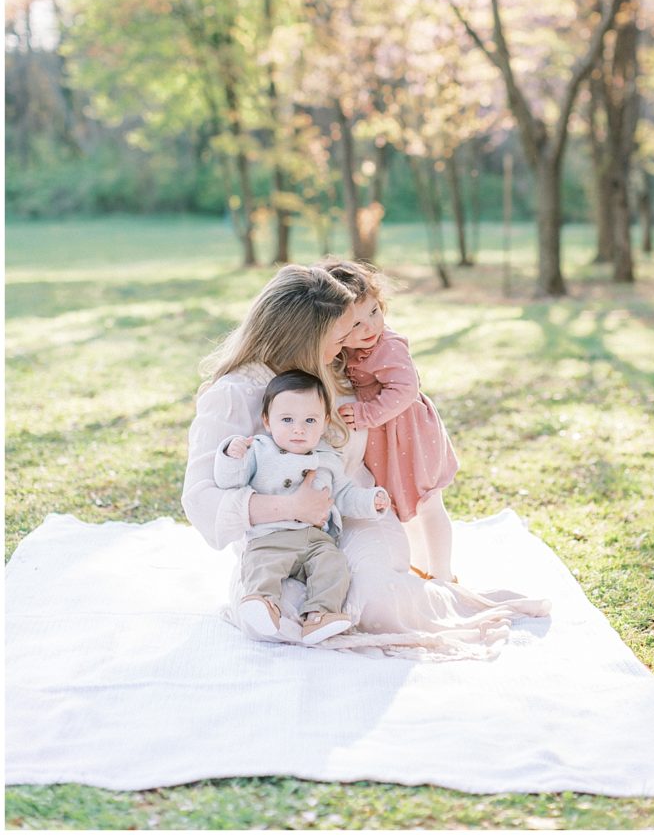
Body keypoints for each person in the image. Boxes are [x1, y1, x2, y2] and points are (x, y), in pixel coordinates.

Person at [182, 263, 550, 660]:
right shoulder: (234, 393)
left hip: (352, 510)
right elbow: (199, 496)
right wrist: (291, 507)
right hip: (275, 534)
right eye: (338, 336)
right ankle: (269, 597)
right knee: (283, 616)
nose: (346, 347)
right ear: (304, 337)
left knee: (375, 604)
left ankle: (445, 596)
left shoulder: (336, 368)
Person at [214, 369, 390, 645]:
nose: (299, 428)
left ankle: (319, 615)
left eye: (310, 420)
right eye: (287, 420)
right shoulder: (259, 450)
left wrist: (371, 501)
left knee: (334, 565)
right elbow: (230, 481)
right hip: (271, 536)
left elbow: (343, 495)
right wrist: (230, 455)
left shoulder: (328, 459)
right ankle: (262, 602)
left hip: (316, 540)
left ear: (324, 422)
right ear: (267, 421)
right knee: (262, 564)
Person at [321, 259, 458, 582]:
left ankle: (442, 572)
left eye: (374, 312)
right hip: (386, 441)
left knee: (427, 502)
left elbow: (406, 388)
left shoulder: (389, 345)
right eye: (355, 324)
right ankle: (420, 565)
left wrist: (367, 413)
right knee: (400, 505)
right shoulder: (345, 351)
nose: (369, 327)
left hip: (411, 433)